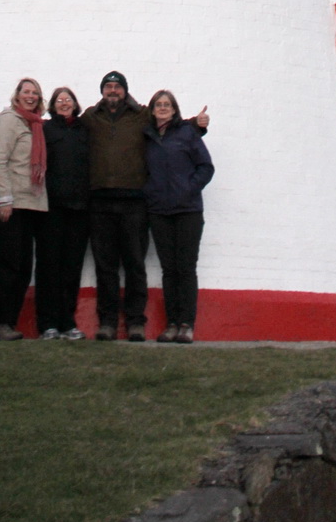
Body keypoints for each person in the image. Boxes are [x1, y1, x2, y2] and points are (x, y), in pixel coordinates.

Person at [82, 71, 208, 342]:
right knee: (105, 267)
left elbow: (169, 122)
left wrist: (196, 125)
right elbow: (66, 126)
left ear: (125, 91)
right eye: (108, 87)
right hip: (101, 201)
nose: (113, 90)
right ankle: (107, 323)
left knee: (135, 264)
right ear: (102, 91)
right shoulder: (91, 117)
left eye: (117, 87)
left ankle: (136, 323)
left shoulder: (141, 115)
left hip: (134, 202)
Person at [0, 77, 47, 340]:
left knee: (21, 267)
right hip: (7, 204)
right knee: (4, 265)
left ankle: (8, 322)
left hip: (27, 204)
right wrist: (4, 199)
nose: (31, 96)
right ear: (17, 95)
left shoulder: (34, 125)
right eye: (26, 91)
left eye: (35, 93)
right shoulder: (9, 120)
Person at [145, 89, 214, 344]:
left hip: (188, 211)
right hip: (159, 211)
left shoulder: (187, 133)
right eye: (158, 105)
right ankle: (171, 322)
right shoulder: (147, 137)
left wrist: (189, 189)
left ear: (174, 110)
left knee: (185, 268)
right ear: (152, 110)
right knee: (168, 269)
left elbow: (206, 167)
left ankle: (187, 323)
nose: (163, 108)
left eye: (167, 104)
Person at [34, 86, 90, 340]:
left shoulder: (84, 130)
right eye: (59, 100)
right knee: (48, 266)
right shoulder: (45, 129)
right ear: (53, 105)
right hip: (50, 209)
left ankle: (68, 321)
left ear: (75, 104)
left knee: (71, 267)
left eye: (68, 99)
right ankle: (48, 324)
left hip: (79, 209)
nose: (64, 103)